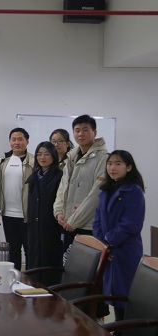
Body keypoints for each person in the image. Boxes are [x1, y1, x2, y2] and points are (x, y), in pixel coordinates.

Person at [93, 150, 145, 321]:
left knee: (125, 296)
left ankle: (123, 328)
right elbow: (97, 219)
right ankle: (118, 327)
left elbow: (131, 224)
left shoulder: (134, 191)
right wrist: (101, 243)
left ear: (128, 167)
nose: (112, 168)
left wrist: (108, 241)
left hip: (125, 250)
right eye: (109, 164)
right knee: (113, 294)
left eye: (118, 164)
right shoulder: (105, 190)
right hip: (108, 250)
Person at [53, 115, 109, 257]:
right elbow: (62, 187)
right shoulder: (71, 157)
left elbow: (96, 195)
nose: (80, 134)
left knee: (86, 267)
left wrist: (74, 221)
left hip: (88, 225)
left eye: (85, 130)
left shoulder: (103, 158)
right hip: (68, 223)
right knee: (68, 264)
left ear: (94, 132)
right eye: (77, 130)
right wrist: (59, 211)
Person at [0, 127, 34, 270]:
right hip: (8, 214)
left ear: (27, 141)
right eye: (13, 139)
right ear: (10, 142)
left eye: (20, 139)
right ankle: (14, 279)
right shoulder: (2, 162)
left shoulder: (34, 161)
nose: (17, 142)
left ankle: (30, 279)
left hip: (27, 215)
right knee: (13, 251)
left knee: (30, 250)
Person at [26, 142, 63, 286]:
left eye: (47, 154)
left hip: (50, 225)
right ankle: (34, 287)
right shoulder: (34, 176)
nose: (42, 157)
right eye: (39, 154)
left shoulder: (59, 176)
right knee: (34, 258)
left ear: (53, 156)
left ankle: (49, 291)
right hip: (34, 225)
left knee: (49, 259)